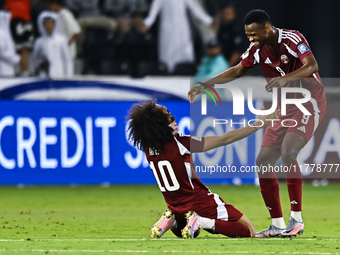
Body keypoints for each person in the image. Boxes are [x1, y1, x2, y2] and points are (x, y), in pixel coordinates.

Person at [188, 9, 327, 237]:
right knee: (263, 160)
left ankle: (297, 220)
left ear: (266, 28)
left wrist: (284, 79)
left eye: (254, 34)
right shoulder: (257, 49)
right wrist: (206, 85)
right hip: (283, 105)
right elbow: (238, 69)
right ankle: (278, 225)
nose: (250, 39)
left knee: (288, 153)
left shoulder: (293, 39)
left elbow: (312, 66)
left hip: (308, 101)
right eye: (247, 35)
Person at [126, 100, 279, 239]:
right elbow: (223, 139)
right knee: (249, 230)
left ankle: (171, 220)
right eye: (166, 113)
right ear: (160, 123)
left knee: (191, 231)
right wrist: (258, 124)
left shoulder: (148, 149)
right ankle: (201, 221)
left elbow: (162, 140)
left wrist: (168, 127)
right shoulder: (181, 143)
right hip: (200, 202)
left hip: (175, 208)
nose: (168, 110)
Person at [142, 0, 214, 73]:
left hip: (182, 29)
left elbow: (195, 8)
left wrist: (208, 21)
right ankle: (168, 72)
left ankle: (185, 71)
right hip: (167, 30)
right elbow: (154, 10)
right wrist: (147, 23)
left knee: (184, 53)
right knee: (167, 54)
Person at [31, 11, 73, 77]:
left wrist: (69, 76)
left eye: (51, 23)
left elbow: (67, 60)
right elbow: (35, 58)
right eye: (46, 24)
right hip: (44, 76)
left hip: (59, 74)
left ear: (54, 24)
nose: (49, 26)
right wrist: (40, 64)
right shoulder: (39, 42)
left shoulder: (61, 40)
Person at [4, 0, 34, 76]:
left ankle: (24, 72)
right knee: (19, 46)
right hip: (18, 17)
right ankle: (21, 71)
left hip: (16, 16)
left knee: (22, 47)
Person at [0, 10, 21, 77]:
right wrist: (17, 59)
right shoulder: (1, 34)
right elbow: (2, 53)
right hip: (3, 71)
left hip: (9, 70)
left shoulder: (6, 33)